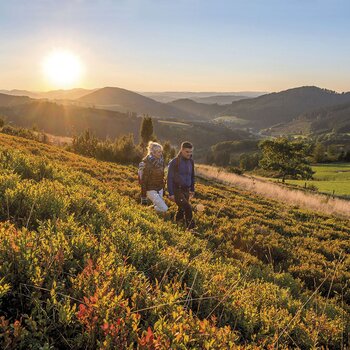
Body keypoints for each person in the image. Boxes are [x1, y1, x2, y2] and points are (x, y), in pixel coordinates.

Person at [167, 141, 195, 229]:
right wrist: (171, 193)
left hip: (186, 190)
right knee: (188, 208)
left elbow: (192, 176)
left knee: (181, 209)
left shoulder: (191, 161)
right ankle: (191, 229)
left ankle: (176, 225)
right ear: (181, 150)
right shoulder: (174, 162)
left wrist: (192, 189)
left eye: (191, 152)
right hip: (177, 190)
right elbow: (169, 178)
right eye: (187, 152)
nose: (189, 154)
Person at [140, 141, 168, 213]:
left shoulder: (161, 161)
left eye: (161, 151)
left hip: (160, 188)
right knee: (165, 209)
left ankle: (148, 212)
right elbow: (143, 181)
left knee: (158, 206)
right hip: (151, 190)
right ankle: (148, 211)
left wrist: (163, 189)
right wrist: (143, 198)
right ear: (152, 152)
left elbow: (162, 176)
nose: (160, 153)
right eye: (158, 152)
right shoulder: (147, 163)